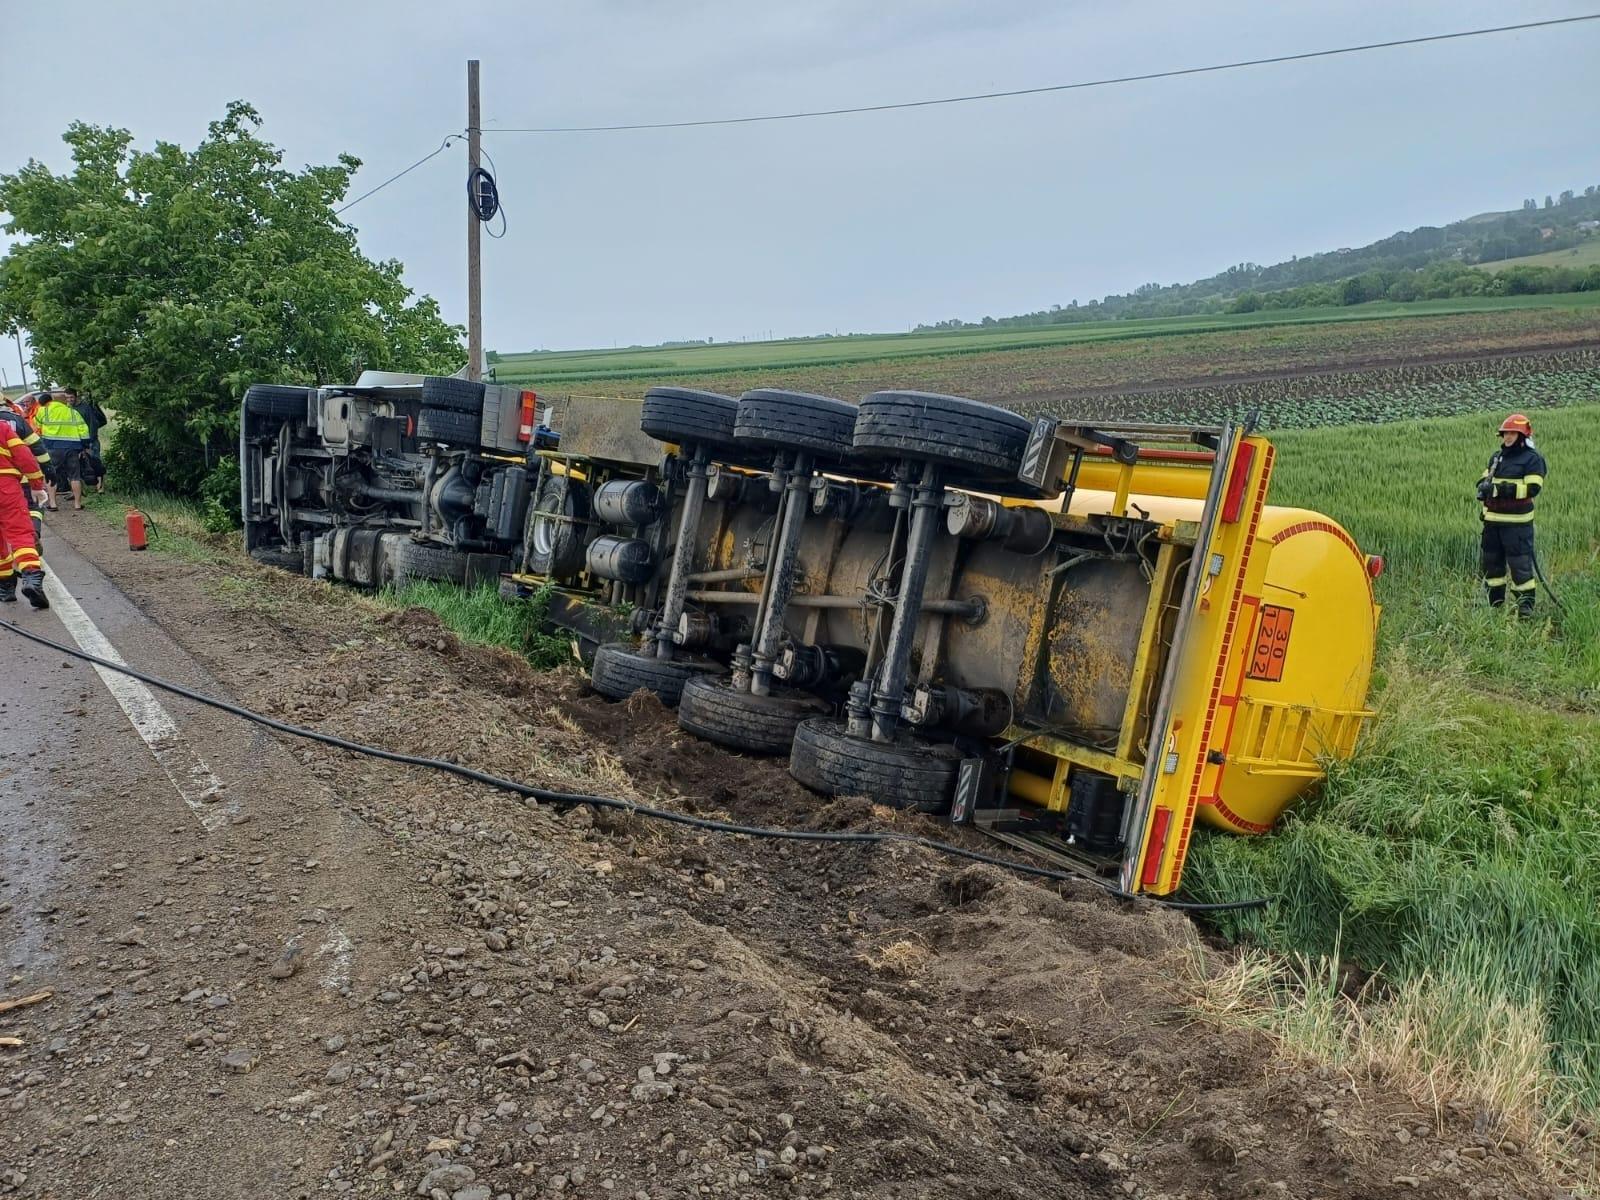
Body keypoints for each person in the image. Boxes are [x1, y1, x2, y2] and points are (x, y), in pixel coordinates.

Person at [1477, 413, 1547, 618]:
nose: (1507, 437)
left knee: (1521, 569)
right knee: (1492, 567)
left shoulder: (1533, 460)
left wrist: (1500, 489)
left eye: (1512, 433)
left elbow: (1533, 488)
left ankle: (1525, 611)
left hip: (1517, 526)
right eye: (1505, 433)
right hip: (1492, 523)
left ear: (1522, 435)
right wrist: (1483, 487)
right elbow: (1483, 480)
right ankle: (1494, 606)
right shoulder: (1497, 457)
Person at [0, 417, 49, 608]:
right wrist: (37, 484)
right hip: (6, 488)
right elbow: (24, 456)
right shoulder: (3, 428)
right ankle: (31, 579)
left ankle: (5, 588)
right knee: (20, 534)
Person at [0, 398, 49, 558]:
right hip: (20, 477)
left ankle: (6, 569)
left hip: (9, 480)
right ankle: (32, 534)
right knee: (33, 507)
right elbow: (35, 446)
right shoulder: (15, 420)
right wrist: (47, 469)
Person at [34, 389, 91, 512]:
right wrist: (84, 446)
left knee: (51, 475)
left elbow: (35, 428)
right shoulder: (72, 412)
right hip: (72, 448)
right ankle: (77, 504)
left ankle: (53, 504)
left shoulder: (43, 411)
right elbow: (84, 431)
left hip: (52, 448)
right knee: (74, 476)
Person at [69, 389, 107, 494]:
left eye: (71, 397)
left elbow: (93, 424)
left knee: (95, 462)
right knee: (78, 464)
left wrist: (91, 440)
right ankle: (80, 490)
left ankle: (100, 487)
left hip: (90, 440)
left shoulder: (86, 408)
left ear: (76, 397)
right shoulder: (68, 409)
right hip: (76, 441)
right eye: (67, 398)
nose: (69, 400)